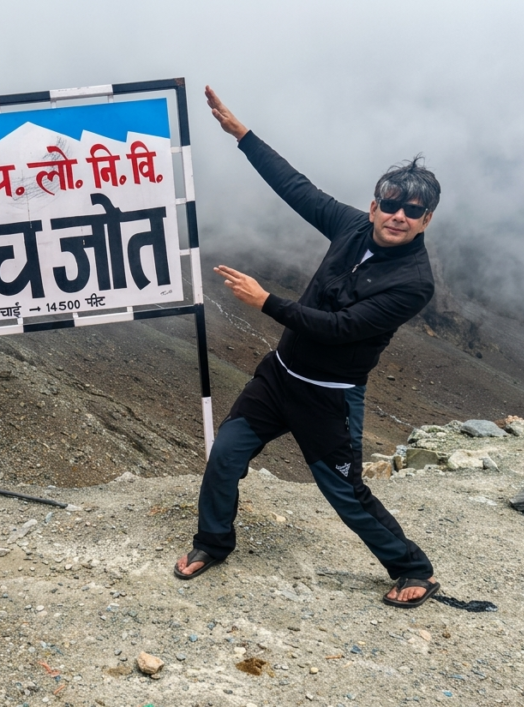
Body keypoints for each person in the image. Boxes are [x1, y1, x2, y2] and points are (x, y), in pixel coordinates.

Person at [175, 86, 441, 608]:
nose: (398, 215)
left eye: (413, 210)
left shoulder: (415, 282)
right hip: (279, 375)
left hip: (330, 398)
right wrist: (242, 135)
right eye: (390, 204)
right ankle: (213, 543)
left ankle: (413, 568)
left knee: (343, 492)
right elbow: (296, 188)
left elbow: (341, 328)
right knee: (225, 455)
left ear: (426, 219)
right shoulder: (349, 226)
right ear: (374, 205)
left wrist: (265, 301)